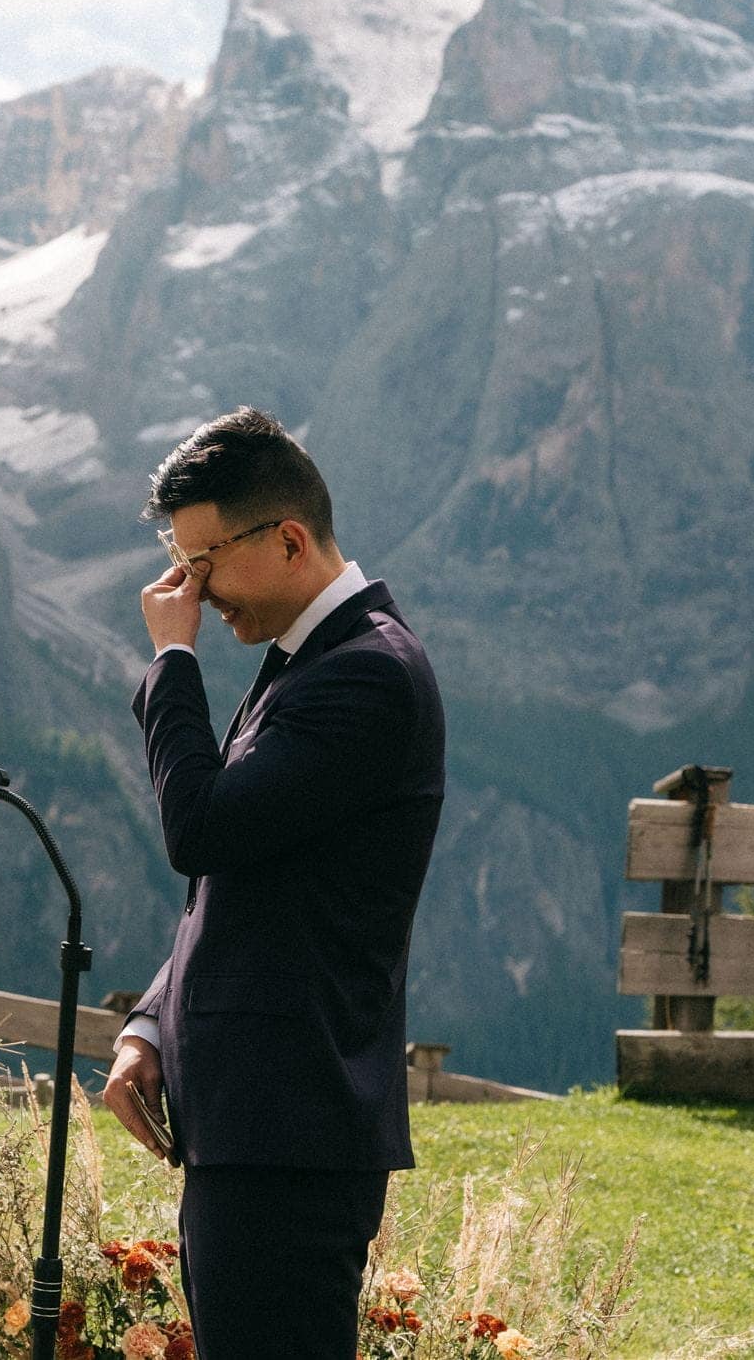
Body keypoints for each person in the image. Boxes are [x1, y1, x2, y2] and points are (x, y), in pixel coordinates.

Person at [99, 410, 444, 1359]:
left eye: (206, 561)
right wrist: (150, 1024)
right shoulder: (308, 664)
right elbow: (242, 875)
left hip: (292, 1128)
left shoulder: (367, 673)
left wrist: (172, 661)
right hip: (256, 1124)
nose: (193, 592)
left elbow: (201, 828)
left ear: (288, 537)